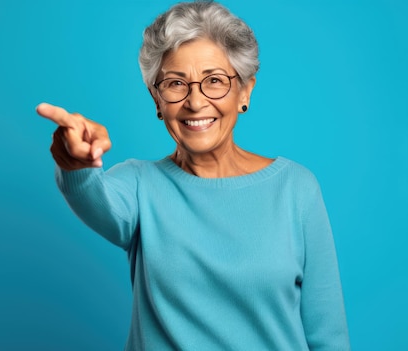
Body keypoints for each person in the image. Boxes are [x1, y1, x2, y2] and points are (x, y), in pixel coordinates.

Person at [36, 1, 350, 350]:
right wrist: (76, 161)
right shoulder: (139, 186)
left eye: (214, 80)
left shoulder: (296, 188)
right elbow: (91, 197)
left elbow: (328, 336)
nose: (195, 102)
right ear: (156, 98)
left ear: (244, 91)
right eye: (175, 83)